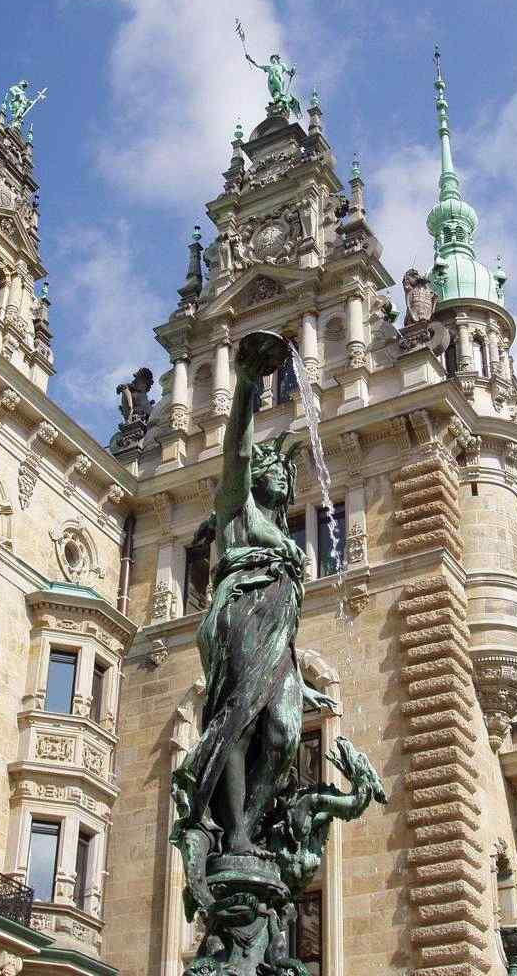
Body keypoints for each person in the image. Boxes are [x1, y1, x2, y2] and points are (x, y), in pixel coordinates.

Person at [172, 332, 333, 857]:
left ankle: (252, 822)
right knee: (240, 720)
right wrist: (245, 385)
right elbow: (238, 446)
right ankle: (236, 834)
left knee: (286, 733)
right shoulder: (237, 508)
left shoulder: (283, 530)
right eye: (274, 471)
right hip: (241, 608)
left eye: (287, 473)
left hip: (279, 629)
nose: (284, 478)